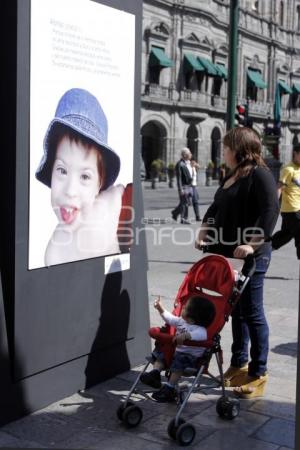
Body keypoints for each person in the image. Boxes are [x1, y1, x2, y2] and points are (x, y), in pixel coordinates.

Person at [195, 127, 279, 399]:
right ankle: (238, 363)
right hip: (231, 254)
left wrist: (251, 243)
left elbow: (270, 211)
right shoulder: (232, 176)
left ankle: (258, 372)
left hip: (253, 255)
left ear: (240, 149)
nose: (224, 151)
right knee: (237, 311)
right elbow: (215, 208)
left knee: (252, 312)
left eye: (227, 146)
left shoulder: (261, 174)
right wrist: (204, 230)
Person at [35, 88, 124, 266]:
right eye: (62, 170)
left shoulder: (116, 206)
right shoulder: (55, 252)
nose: (70, 191)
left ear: (100, 182)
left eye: (84, 176)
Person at [140, 295, 216, 402]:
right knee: (162, 352)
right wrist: (161, 309)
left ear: (191, 319)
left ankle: (169, 388)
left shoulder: (201, 330)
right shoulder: (181, 321)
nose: (183, 307)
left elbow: (200, 336)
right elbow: (170, 319)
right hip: (176, 353)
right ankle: (155, 374)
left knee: (179, 361)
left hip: (190, 359)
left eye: (185, 308)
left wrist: (186, 336)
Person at [270, 147, 300, 259]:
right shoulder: (288, 169)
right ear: (295, 153)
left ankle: (264, 249)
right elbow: (279, 188)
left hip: (298, 208)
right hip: (291, 209)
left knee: (286, 234)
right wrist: (274, 205)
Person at [171, 148, 193, 224]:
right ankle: (184, 219)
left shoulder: (188, 163)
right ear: (184, 155)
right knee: (185, 203)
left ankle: (175, 213)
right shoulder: (180, 164)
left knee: (186, 202)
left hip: (189, 185)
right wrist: (181, 189)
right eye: (189, 153)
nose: (191, 155)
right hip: (183, 186)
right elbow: (179, 178)